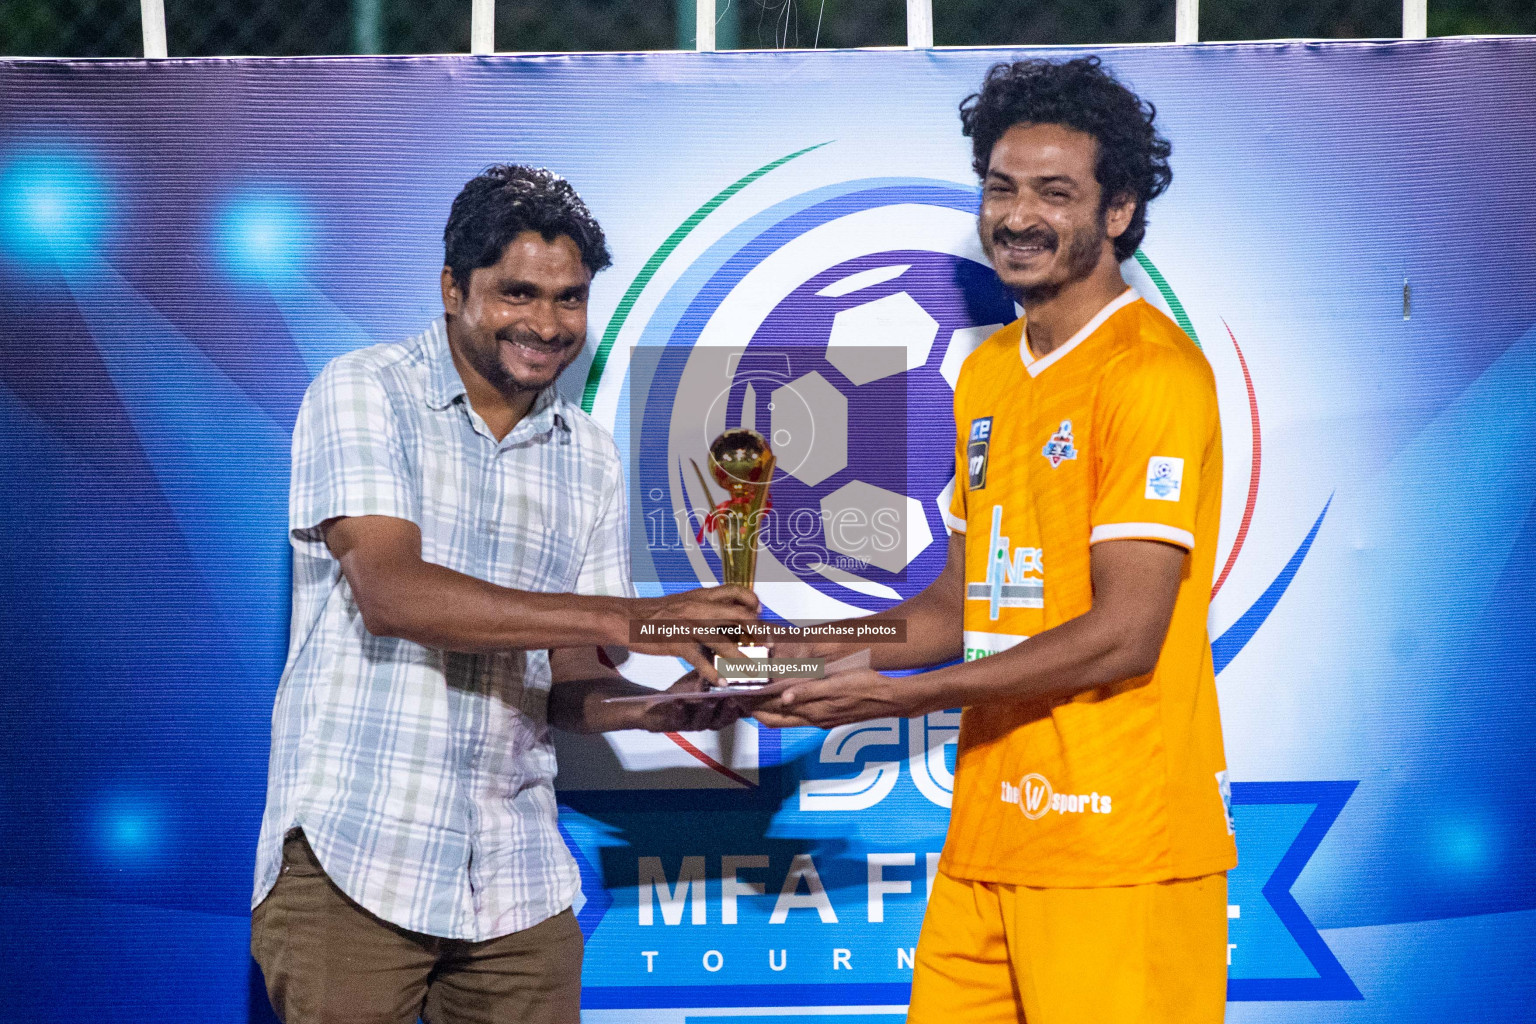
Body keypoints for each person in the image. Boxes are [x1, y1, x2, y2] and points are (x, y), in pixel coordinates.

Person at [754, 58, 1237, 1024]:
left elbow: (1125, 634)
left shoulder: (1152, 375)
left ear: (1119, 213)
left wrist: (904, 701)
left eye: (1056, 194)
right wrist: (789, 650)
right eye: (1001, 188)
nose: (1018, 217)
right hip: (989, 837)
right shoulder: (986, 374)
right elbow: (954, 607)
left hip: (1116, 847)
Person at [251, 164, 757, 1024]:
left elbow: (566, 681)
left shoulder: (589, 453)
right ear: (453, 289)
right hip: (356, 854)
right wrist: (633, 618)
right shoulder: (365, 389)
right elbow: (393, 593)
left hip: (517, 879)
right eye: (518, 293)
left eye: (569, 299)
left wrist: (648, 712)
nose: (547, 324)